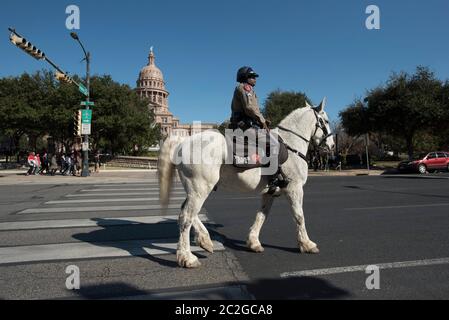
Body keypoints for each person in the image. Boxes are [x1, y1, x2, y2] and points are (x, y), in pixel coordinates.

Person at [229, 66, 288, 194]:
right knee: (273, 143)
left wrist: (263, 120)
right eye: (252, 76)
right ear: (245, 78)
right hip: (244, 126)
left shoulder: (248, 90)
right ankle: (273, 180)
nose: (255, 79)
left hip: (247, 124)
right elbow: (250, 108)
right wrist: (261, 120)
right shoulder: (245, 88)